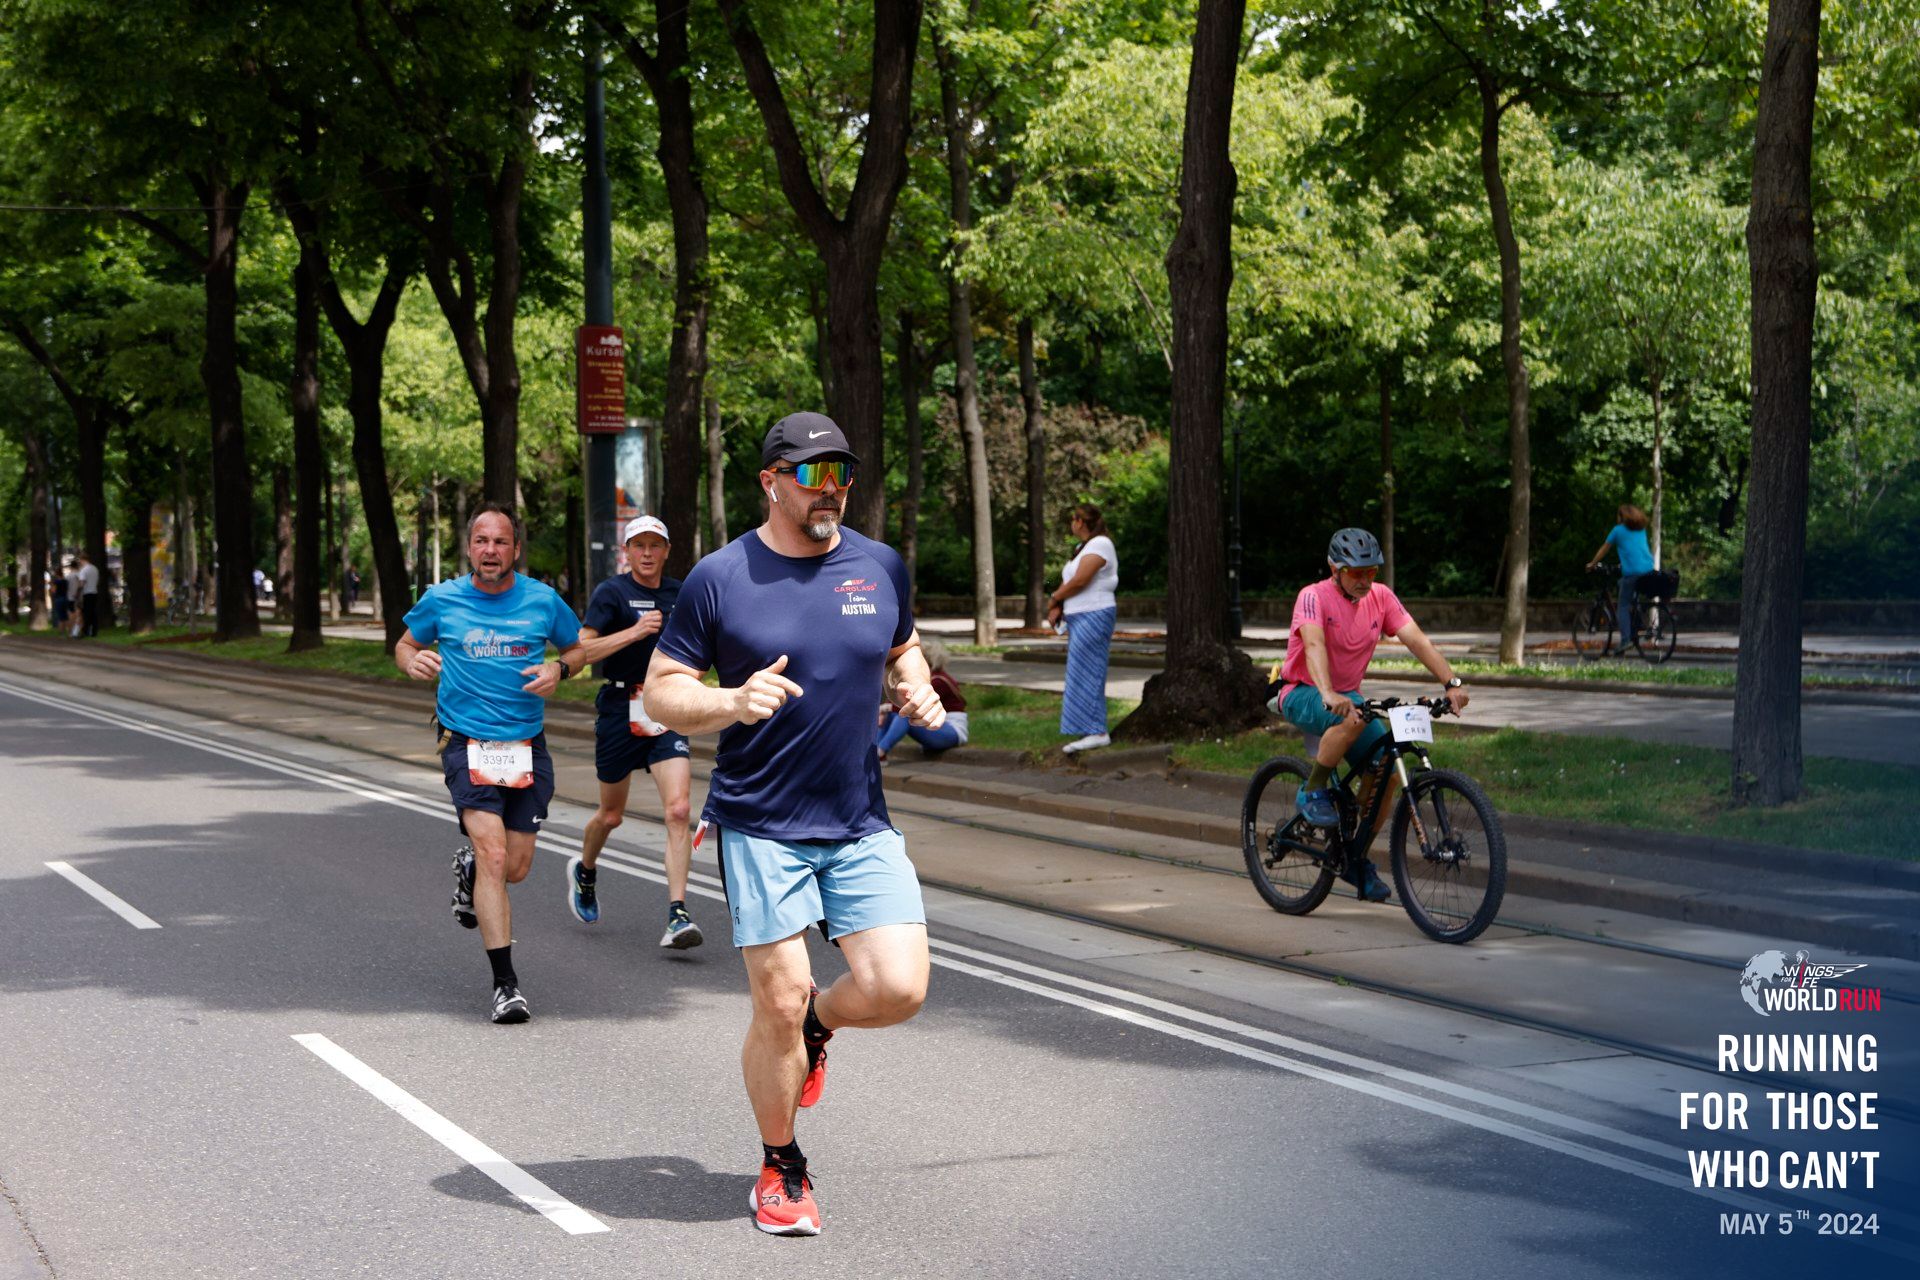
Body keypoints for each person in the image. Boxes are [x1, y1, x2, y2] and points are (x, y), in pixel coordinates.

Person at [644, 411, 942, 1237]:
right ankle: (781, 1165)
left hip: (858, 818)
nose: (830, 489)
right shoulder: (721, 577)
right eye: (812, 475)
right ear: (771, 482)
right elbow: (661, 691)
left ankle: (821, 1023)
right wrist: (730, 701)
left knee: (899, 988)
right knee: (775, 1002)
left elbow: (903, 648)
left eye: (842, 473)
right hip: (762, 822)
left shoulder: (879, 565)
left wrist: (915, 685)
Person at [394, 504, 586, 1024]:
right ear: (469, 548)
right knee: (496, 854)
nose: (491, 551)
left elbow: (578, 649)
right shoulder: (443, 599)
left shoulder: (542, 599)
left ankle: (470, 871)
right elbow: (406, 643)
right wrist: (412, 661)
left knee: (515, 868)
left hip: (525, 745)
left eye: (501, 542)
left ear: (515, 549)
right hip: (465, 742)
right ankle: (506, 986)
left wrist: (560, 669)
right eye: (482, 541)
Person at [1271, 528, 1469, 903]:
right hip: (1302, 690)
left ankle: (1355, 857)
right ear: (1335, 569)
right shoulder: (1312, 596)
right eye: (1356, 572)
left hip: (1349, 698)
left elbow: (1416, 639)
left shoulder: (1381, 597)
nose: (1365, 580)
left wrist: (1451, 682)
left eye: (1371, 571)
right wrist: (1327, 692)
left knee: (1387, 771)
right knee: (1352, 717)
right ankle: (1312, 790)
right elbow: (1313, 644)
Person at [567, 514, 702, 948]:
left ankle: (678, 914)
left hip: (665, 704)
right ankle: (585, 870)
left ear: (666, 551)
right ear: (626, 552)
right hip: (618, 705)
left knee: (678, 810)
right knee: (611, 815)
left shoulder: (681, 593)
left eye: (654, 545)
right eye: (638, 546)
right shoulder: (612, 592)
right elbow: (580, 651)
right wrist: (634, 632)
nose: (647, 553)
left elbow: (703, 643)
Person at [1046, 504, 1119, 755]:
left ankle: (1097, 732)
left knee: (1089, 670)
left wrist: (1054, 598)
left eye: (1073, 519)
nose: (1071, 524)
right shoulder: (1083, 548)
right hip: (1079, 615)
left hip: (1094, 614)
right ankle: (1088, 729)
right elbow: (1071, 582)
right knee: (1079, 672)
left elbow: (1080, 580)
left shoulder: (1100, 544)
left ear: (1080, 522)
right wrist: (1060, 606)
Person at [874, 638, 967, 763]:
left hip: (953, 732)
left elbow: (911, 705)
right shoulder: (937, 677)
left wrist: (883, 709)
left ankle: (880, 751)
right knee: (892, 714)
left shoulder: (938, 681)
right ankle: (874, 751)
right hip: (939, 728)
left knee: (906, 714)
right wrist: (885, 711)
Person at [1585, 503, 1655, 652]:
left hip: (1633, 572)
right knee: (1622, 584)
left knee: (1622, 606)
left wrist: (1593, 563)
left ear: (1622, 516)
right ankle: (1637, 620)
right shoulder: (1641, 529)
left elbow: (1605, 548)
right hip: (1649, 570)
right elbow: (1637, 550)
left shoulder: (1618, 530)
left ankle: (1625, 640)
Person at [73, 551, 100, 638]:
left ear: (82, 560)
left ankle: (85, 631)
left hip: (87, 593)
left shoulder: (84, 570)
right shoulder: (95, 569)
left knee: (86, 613)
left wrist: (77, 593)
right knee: (93, 612)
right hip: (94, 592)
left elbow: (82, 583)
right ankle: (94, 631)